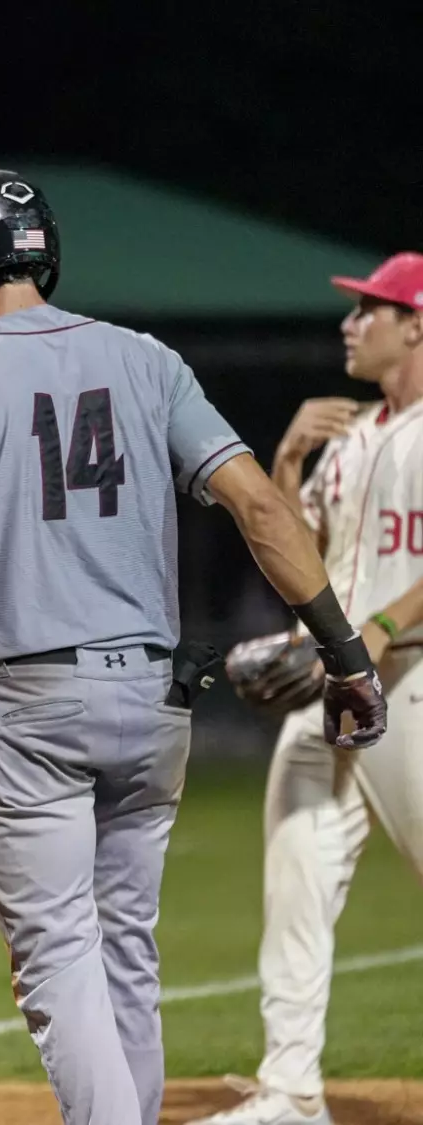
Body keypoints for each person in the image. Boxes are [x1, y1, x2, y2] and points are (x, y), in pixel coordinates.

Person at [0, 170, 388, 1125]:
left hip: (23, 706)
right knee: (125, 955)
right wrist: (346, 655)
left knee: (60, 958)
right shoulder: (147, 359)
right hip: (154, 703)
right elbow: (262, 507)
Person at [190, 252, 423, 1125]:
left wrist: (378, 629)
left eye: (370, 309)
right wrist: (285, 459)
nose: (349, 323)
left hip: (413, 684)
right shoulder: (350, 438)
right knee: (294, 876)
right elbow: (299, 551)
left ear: (417, 325)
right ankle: (291, 1092)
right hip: (335, 693)